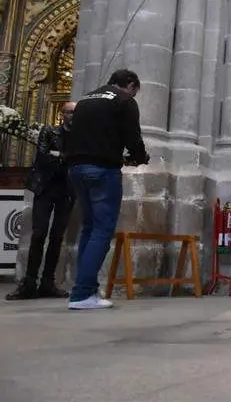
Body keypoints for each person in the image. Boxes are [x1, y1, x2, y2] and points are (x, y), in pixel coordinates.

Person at [65, 69, 149, 310]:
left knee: (89, 229)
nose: (134, 94)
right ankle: (82, 294)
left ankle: (85, 290)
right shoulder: (125, 101)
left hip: (76, 169)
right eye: (135, 90)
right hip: (102, 170)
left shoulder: (85, 100)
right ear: (130, 85)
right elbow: (133, 137)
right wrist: (139, 157)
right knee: (102, 230)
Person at [6, 102, 77, 300]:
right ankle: (29, 283)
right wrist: (65, 157)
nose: (72, 116)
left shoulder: (81, 137)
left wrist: (60, 155)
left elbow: (78, 159)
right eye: (69, 112)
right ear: (62, 114)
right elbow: (44, 157)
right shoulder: (49, 131)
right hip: (45, 188)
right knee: (38, 234)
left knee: (57, 237)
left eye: (75, 113)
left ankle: (47, 283)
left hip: (67, 190)